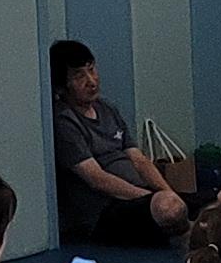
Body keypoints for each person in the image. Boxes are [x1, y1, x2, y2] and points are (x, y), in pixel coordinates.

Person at [50, 39, 191, 246]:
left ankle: (192, 228)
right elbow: (96, 178)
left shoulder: (107, 109)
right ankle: (191, 235)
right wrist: (149, 198)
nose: (91, 81)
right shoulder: (64, 120)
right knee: (168, 209)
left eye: (92, 70)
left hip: (146, 197)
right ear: (62, 87)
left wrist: (168, 192)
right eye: (79, 76)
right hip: (106, 211)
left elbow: (140, 161)